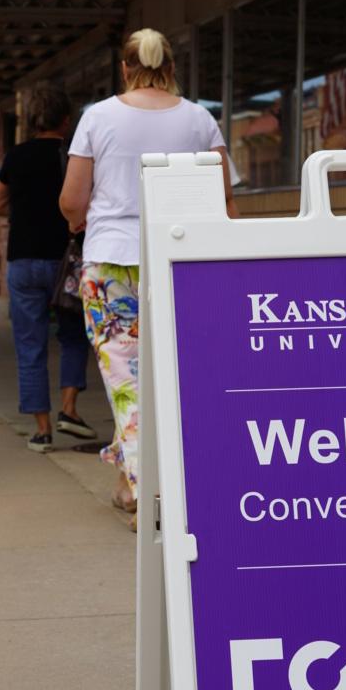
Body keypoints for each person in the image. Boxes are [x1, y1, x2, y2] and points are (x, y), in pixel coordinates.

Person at [60, 29, 234, 517]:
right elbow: (222, 196)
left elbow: (73, 199)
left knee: (127, 380)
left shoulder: (98, 117)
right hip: (182, 259)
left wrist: (79, 217)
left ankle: (150, 496)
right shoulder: (199, 118)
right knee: (167, 374)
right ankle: (126, 480)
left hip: (112, 260)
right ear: (171, 67)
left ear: (124, 68)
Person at [0, 84, 92, 452]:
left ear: (33, 120)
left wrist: (22, 210)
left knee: (29, 344)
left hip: (23, 261)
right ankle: (69, 409)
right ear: (66, 120)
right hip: (67, 264)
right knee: (73, 336)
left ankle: (42, 429)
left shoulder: (15, 156)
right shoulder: (73, 156)